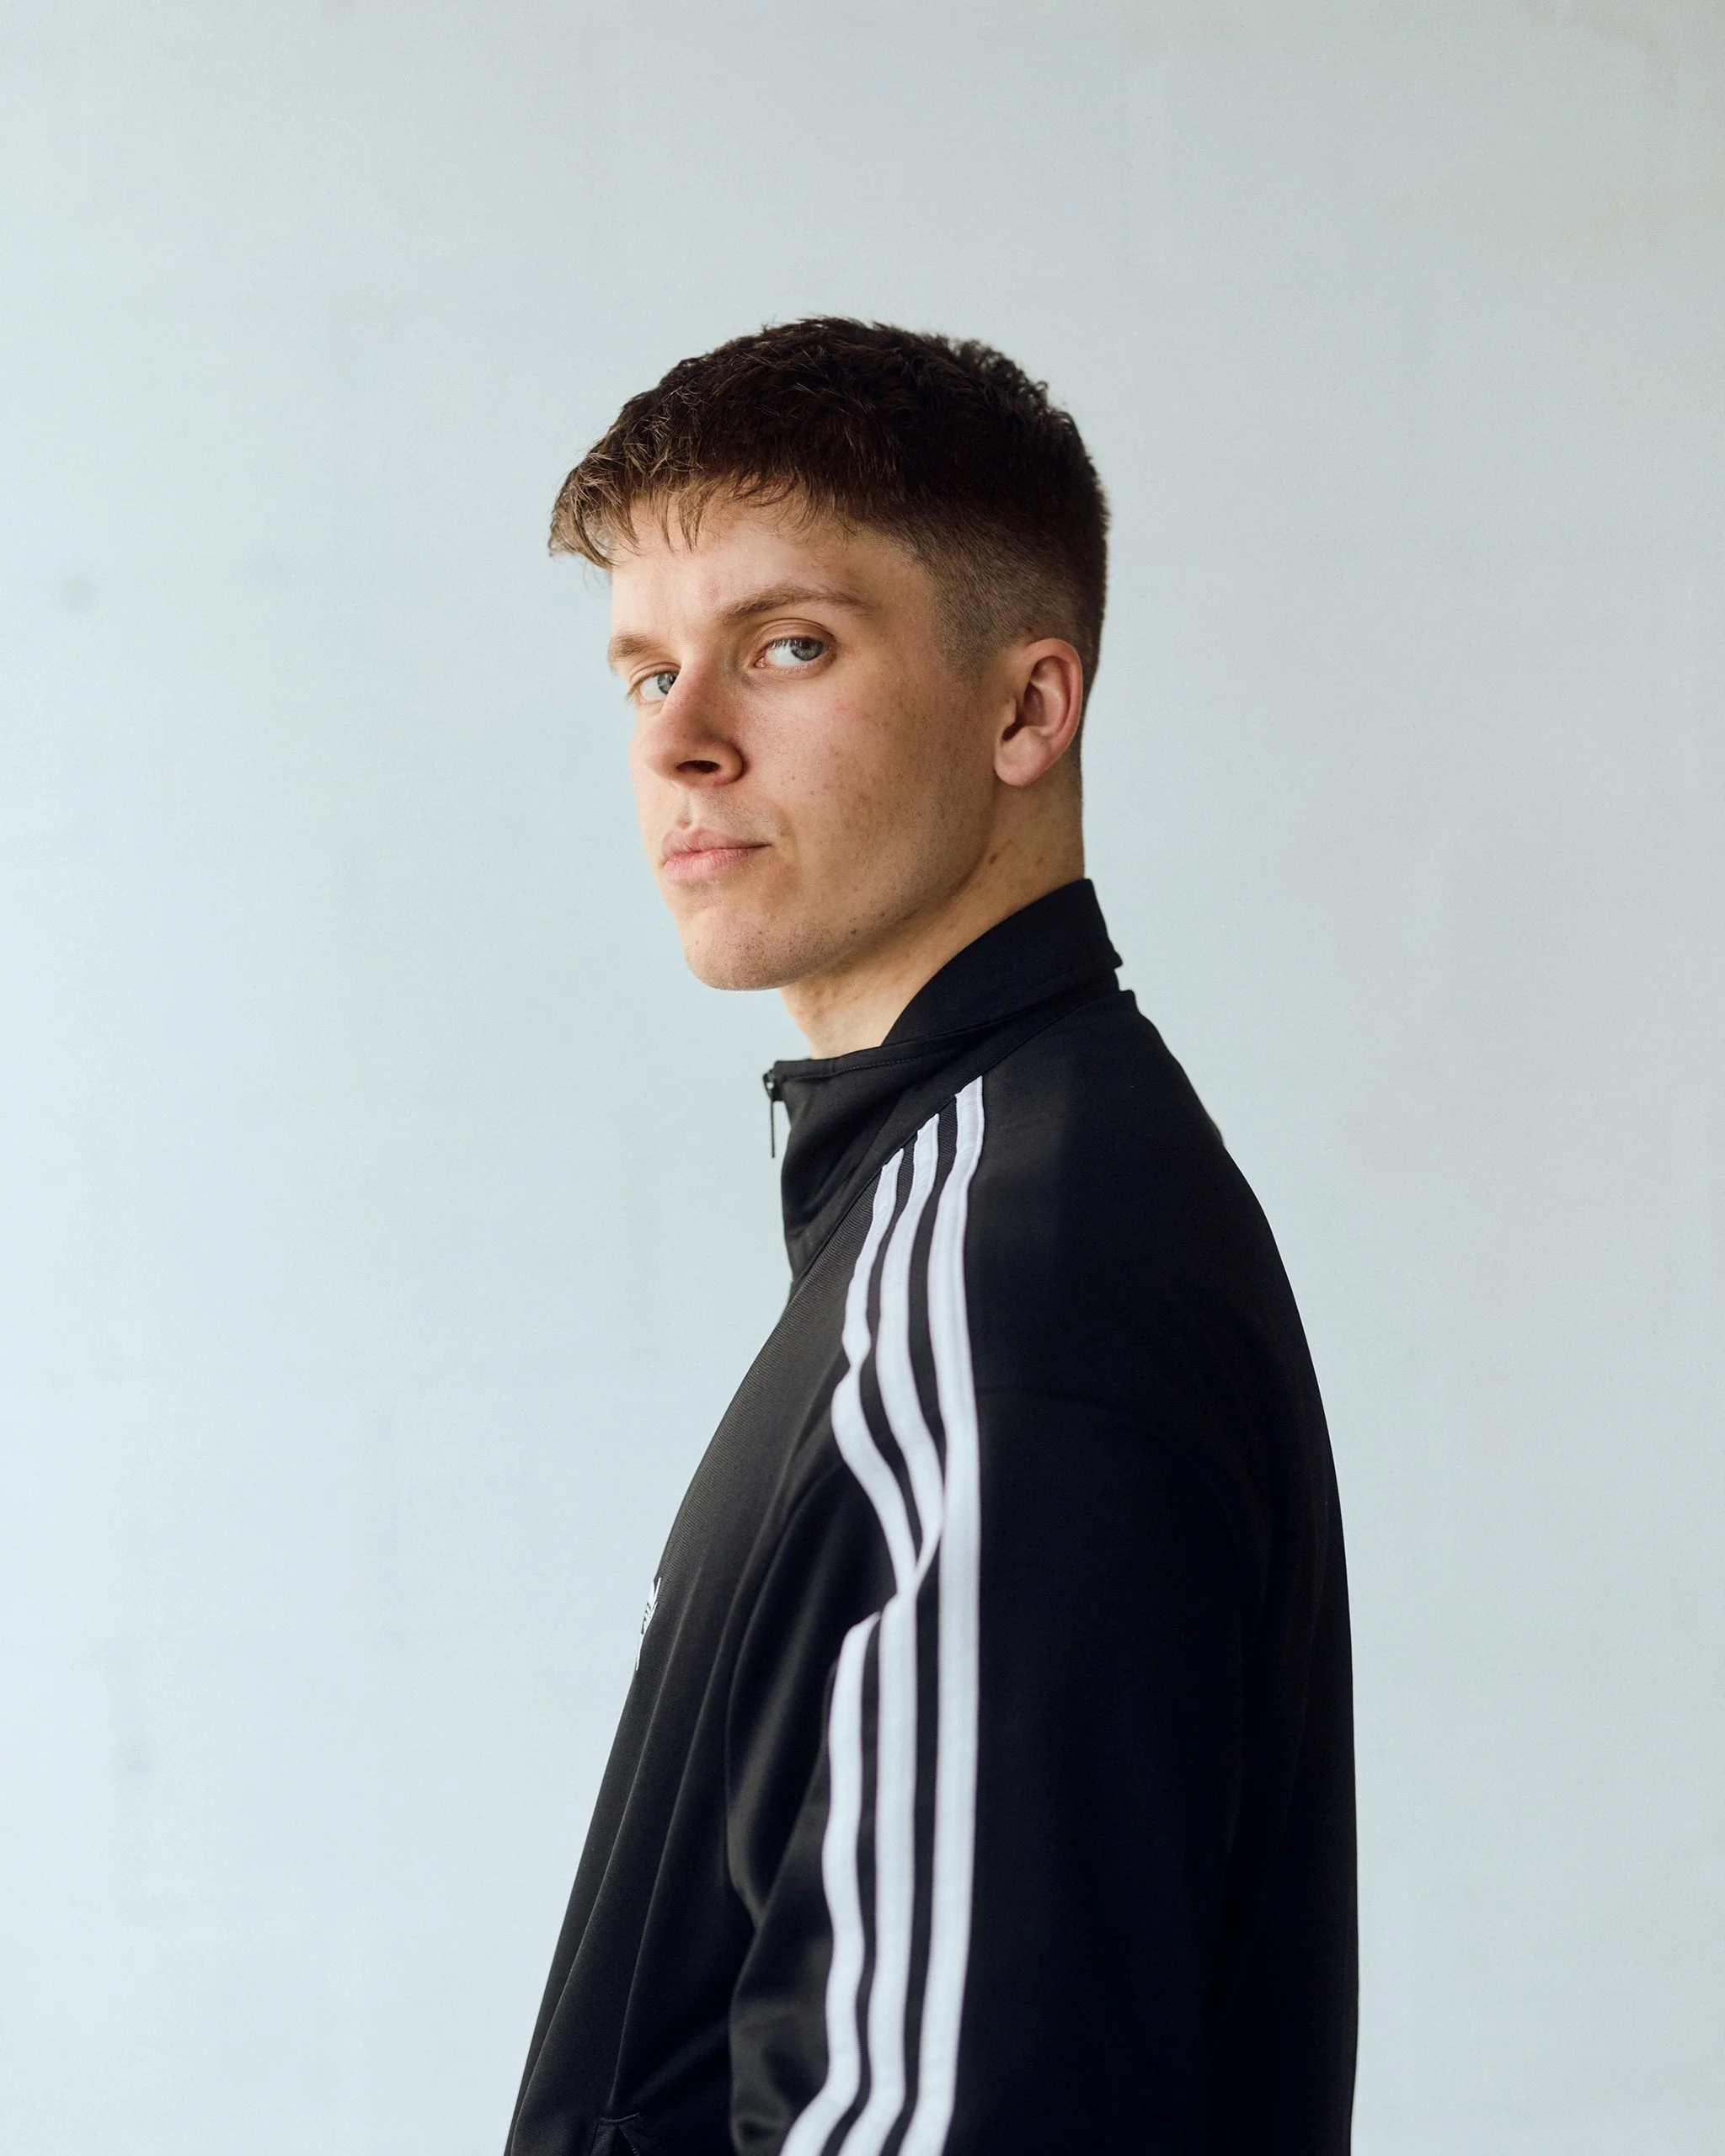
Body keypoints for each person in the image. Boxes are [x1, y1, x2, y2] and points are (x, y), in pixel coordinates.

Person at [505, 320, 1356, 2156]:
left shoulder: (999, 1288)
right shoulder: (974, 1203)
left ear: (1026, 710)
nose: (680, 741)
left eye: (787, 646)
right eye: (644, 669)